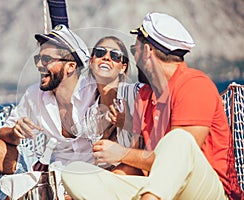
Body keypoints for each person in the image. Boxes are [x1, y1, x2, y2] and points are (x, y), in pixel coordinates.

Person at [61, 12, 242, 199]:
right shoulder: (145, 97)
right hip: (158, 189)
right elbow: (138, 165)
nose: (134, 58)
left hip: (201, 191)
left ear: (147, 51)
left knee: (178, 139)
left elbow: (178, 162)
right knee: (75, 174)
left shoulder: (193, 85)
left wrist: (122, 153)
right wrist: (107, 183)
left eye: (134, 51)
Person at [0, 24, 97, 199]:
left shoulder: (95, 94)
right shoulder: (35, 94)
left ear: (70, 66)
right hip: (49, 169)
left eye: (47, 59)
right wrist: (15, 133)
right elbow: (4, 132)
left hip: (86, 175)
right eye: (38, 59)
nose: (39, 65)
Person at [87, 36, 143, 149]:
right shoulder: (91, 115)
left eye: (115, 56)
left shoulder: (138, 93)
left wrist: (128, 124)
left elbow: (157, 139)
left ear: (123, 67)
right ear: (91, 62)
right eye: (100, 52)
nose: (106, 58)